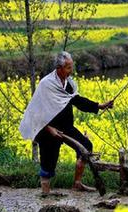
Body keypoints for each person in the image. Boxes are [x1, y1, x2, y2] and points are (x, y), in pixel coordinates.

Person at [19, 51, 114, 194]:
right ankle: (45, 195)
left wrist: (99, 106)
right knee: (48, 162)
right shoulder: (46, 84)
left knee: (86, 147)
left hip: (66, 127)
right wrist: (49, 129)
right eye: (68, 68)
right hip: (48, 129)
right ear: (59, 68)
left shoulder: (68, 84)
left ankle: (77, 183)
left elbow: (76, 100)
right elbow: (35, 112)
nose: (71, 71)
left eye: (71, 67)